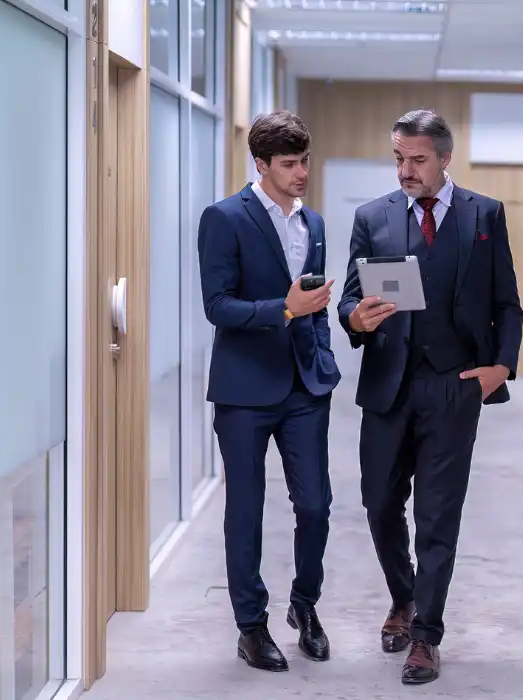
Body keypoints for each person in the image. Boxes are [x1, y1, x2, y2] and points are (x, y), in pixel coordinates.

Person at [338, 109, 523, 685]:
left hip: (455, 384)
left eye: (417, 159)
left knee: (438, 516)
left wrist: (502, 368)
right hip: (388, 385)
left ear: (445, 159)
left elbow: (507, 304)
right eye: (398, 158)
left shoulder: (484, 216)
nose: (406, 170)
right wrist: (357, 319)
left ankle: (426, 636)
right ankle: (404, 596)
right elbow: (349, 300)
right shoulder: (372, 217)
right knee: (378, 505)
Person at [197, 110, 341, 672]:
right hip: (244, 391)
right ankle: (250, 626)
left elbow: (316, 301)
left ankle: (304, 607)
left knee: (316, 506)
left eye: (305, 160)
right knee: (246, 511)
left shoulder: (317, 224)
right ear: (261, 164)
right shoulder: (224, 218)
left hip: (305, 385)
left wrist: (322, 351)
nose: (301, 172)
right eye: (289, 163)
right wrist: (283, 309)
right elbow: (217, 305)